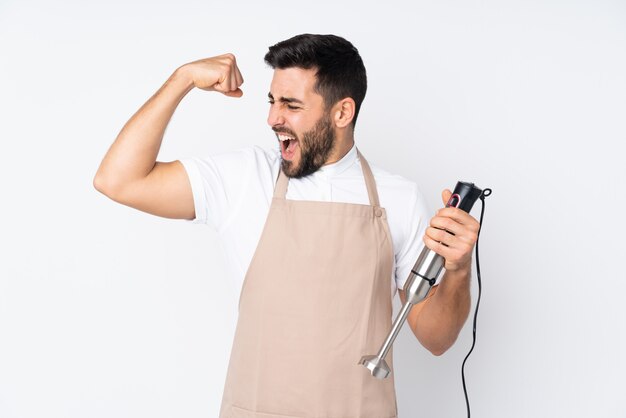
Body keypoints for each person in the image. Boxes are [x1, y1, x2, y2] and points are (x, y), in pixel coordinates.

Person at [94, 34, 480, 418]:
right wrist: (181, 80)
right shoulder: (245, 178)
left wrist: (458, 270)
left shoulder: (398, 197)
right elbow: (119, 180)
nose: (273, 118)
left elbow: (437, 338)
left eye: (291, 105)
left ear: (342, 113)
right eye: (272, 101)